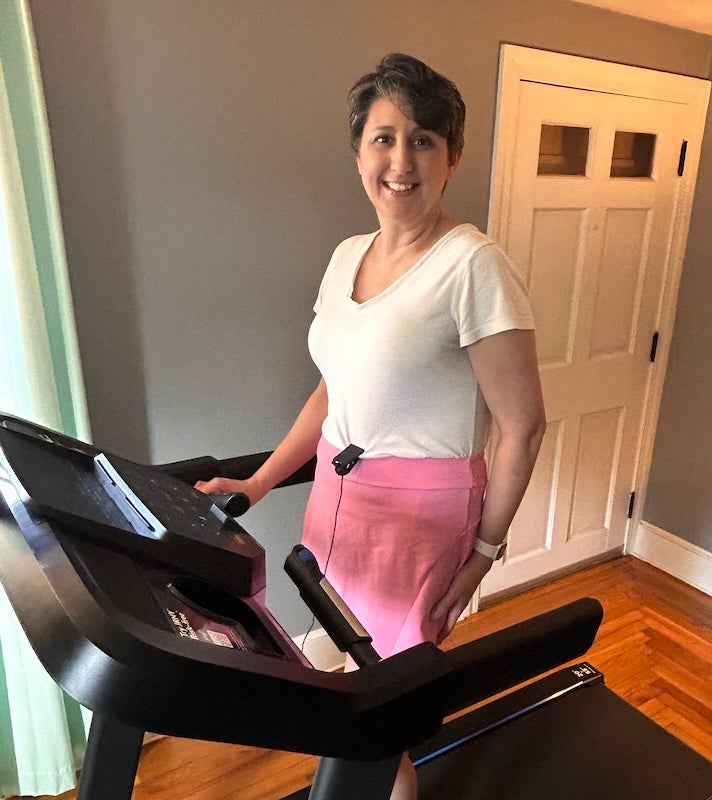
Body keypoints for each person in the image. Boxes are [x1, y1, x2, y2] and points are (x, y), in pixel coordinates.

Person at [197, 53, 546, 800]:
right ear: (359, 152)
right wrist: (259, 482)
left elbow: (523, 427)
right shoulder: (346, 256)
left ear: (452, 156)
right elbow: (334, 388)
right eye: (384, 138)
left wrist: (483, 557)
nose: (401, 160)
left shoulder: (473, 266)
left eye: (424, 140)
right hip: (339, 494)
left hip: (422, 520)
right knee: (353, 683)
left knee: (382, 716)